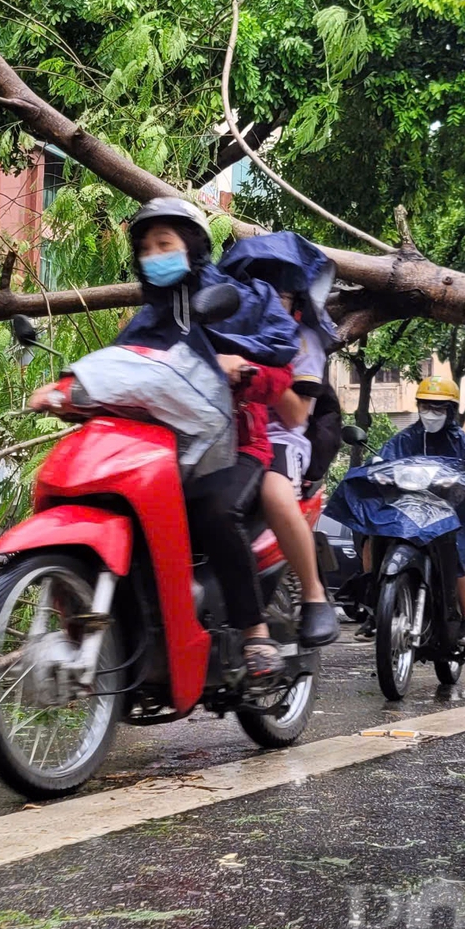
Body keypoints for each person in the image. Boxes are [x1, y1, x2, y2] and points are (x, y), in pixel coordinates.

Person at [31, 198, 298, 677]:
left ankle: (255, 634)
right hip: (159, 452)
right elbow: (120, 375)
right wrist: (67, 391)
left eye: (165, 244)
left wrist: (243, 371)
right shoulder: (144, 322)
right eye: (146, 248)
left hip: (236, 447)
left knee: (213, 508)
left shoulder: (241, 298)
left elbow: (280, 374)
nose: (155, 255)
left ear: (193, 248)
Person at [220, 233, 342, 647]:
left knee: (274, 491)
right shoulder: (224, 333)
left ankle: (313, 594)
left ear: (296, 300)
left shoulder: (303, 341)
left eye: (280, 293)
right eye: (257, 289)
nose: (269, 299)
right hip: (223, 434)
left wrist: (257, 375)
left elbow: (295, 415)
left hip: (280, 440)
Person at [374, 377, 465, 639]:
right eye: (426, 406)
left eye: (438, 407)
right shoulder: (403, 439)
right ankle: (373, 606)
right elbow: (383, 462)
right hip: (407, 509)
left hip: (449, 513)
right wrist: (378, 469)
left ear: (450, 410)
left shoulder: (463, 444)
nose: (431, 413)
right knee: (371, 532)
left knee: (459, 548)